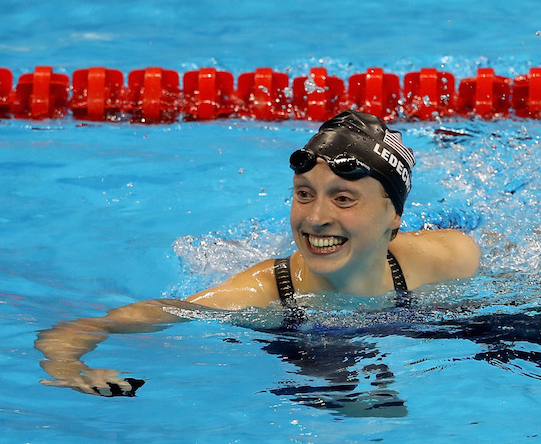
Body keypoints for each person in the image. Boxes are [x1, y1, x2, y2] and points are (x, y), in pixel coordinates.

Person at [35, 110, 481, 396]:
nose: (316, 217)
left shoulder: (448, 257)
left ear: (393, 217)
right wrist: (67, 365)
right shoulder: (261, 291)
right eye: (304, 194)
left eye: (343, 199)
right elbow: (94, 324)